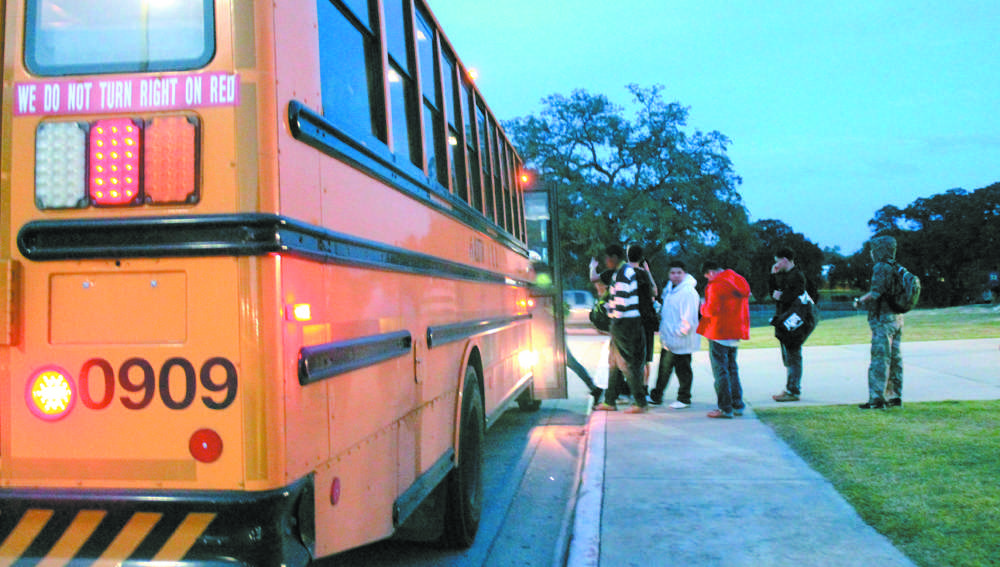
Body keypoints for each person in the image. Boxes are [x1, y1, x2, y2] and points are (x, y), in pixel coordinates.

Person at [594, 244, 649, 414]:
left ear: (615, 257)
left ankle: (640, 402)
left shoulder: (624, 274)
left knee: (625, 363)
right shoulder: (621, 273)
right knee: (614, 363)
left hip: (624, 323)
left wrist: (612, 317)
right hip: (625, 322)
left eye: (608, 258)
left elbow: (622, 303)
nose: (606, 262)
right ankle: (610, 400)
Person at [697, 260, 750, 419]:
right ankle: (737, 404)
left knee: (720, 371)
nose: (708, 279)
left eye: (707, 276)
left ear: (711, 272)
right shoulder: (739, 280)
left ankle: (725, 407)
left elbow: (711, 310)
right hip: (735, 331)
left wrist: (702, 306)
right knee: (732, 369)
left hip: (719, 332)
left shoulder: (715, 285)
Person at [856, 235, 904, 409]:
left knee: (879, 359)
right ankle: (894, 396)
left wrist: (859, 300)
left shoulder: (880, 267)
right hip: (897, 318)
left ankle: (876, 399)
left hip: (883, 319)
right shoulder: (897, 267)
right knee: (895, 358)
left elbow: (875, 293)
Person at [649, 261, 700, 408]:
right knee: (664, 369)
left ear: (684, 274)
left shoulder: (688, 292)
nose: (676, 275)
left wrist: (679, 332)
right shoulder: (670, 289)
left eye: (679, 272)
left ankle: (684, 398)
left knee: (683, 370)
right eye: (673, 272)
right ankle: (656, 396)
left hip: (681, 339)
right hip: (669, 339)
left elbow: (689, 317)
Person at [769, 247, 808, 402]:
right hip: (784, 320)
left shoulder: (797, 276)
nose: (777, 264)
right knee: (789, 356)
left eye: (778, 261)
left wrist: (781, 296)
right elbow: (773, 293)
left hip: (793, 321)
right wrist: (773, 276)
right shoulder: (785, 275)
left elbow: (797, 298)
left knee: (793, 356)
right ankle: (791, 387)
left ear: (785, 259)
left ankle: (793, 390)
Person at [627, 245, 659, 389]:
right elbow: (654, 292)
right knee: (646, 358)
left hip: (631, 320)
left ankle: (633, 387)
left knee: (631, 357)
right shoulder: (644, 275)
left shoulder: (624, 274)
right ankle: (644, 387)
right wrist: (648, 271)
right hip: (646, 320)